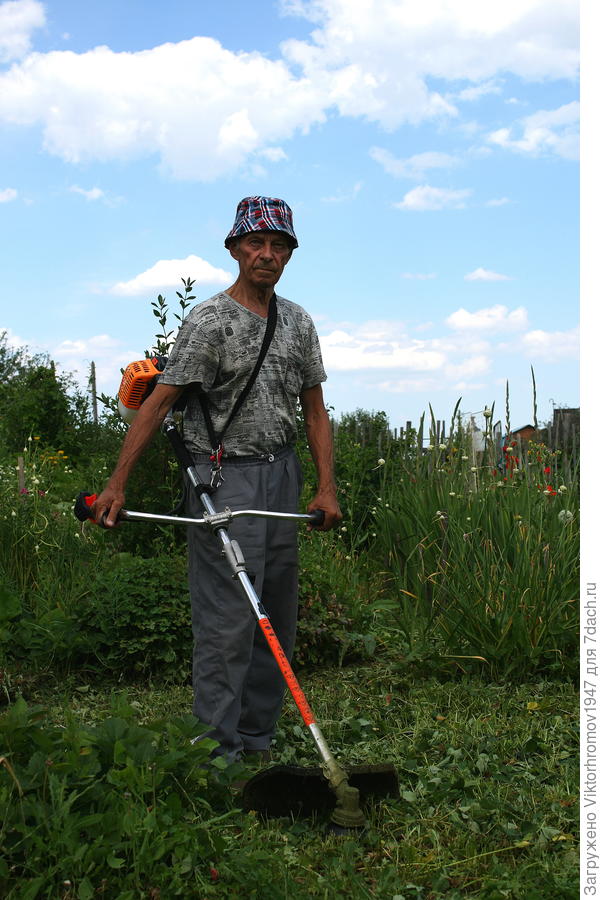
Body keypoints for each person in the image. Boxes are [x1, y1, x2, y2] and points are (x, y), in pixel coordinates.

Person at [92, 196, 342, 761]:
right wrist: (117, 484)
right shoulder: (209, 321)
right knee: (229, 621)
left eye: (279, 245)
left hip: (282, 474)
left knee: (274, 617)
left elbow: (316, 411)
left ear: (289, 255)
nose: (267, 254)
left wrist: (325, 487)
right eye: (256, 243)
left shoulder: (298, 322)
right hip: (221, 479)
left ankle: (257, 743)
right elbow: (159, 404)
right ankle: (215, 758)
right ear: (234, 248)